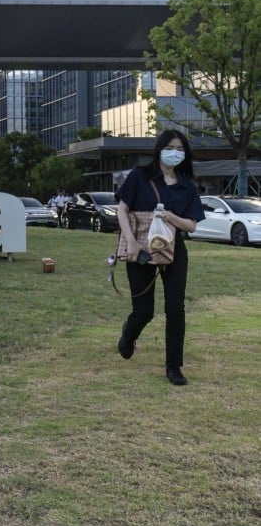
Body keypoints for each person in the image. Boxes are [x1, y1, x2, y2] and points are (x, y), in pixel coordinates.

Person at [115, 129, 205, 386]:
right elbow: (122, 209)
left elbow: (191, 225)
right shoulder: (139, 176)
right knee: (144, 311)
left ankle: (174, 366)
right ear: (159, 149)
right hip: (140, 247)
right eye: (170, 147)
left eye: (180, 149)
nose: (174, 153)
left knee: (175, 307)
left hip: (173, 248)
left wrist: (170, 218)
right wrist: (130, 242)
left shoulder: (187, 185)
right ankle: (128, 335)